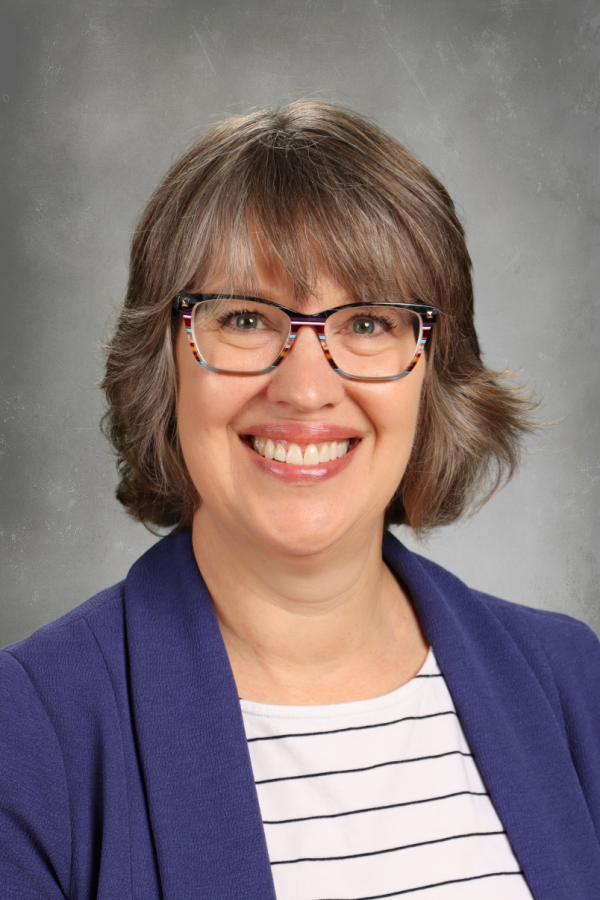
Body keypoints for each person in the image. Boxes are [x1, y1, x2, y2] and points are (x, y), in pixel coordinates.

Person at [1, 101, 599, 900]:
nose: (307, 388)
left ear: (434, 370)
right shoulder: (32, 734)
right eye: (245, 318)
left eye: (367, 322)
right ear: (163, 362)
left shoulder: (574, 684)